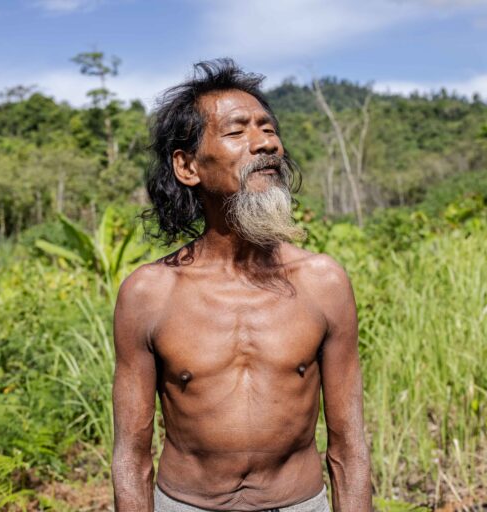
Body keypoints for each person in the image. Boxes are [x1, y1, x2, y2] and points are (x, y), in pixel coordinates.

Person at [112, 58, 372, 512]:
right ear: (188, 166)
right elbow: (131, 458)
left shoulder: (323, 282)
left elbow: (348, 446)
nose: (264, 143)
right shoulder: (148, 293)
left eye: (268, 129)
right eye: (237, 132)